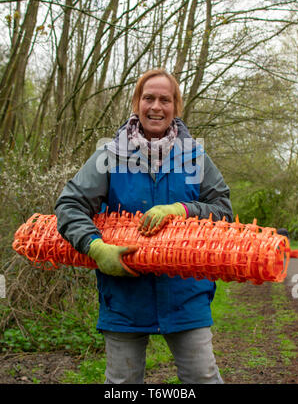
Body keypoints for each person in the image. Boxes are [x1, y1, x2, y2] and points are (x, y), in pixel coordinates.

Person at [55, 69, 233, 384]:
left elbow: (224, 213)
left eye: (165, 99)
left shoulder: (194, 157)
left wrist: (183, 209)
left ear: (175, 107)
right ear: (137, 103)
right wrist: (95, 248)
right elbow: (70, 205)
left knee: (202, 377)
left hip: (186, 295)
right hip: (123, 293)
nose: (156, 106)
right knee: (122, 383)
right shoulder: (109, 155)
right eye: (148, 97)